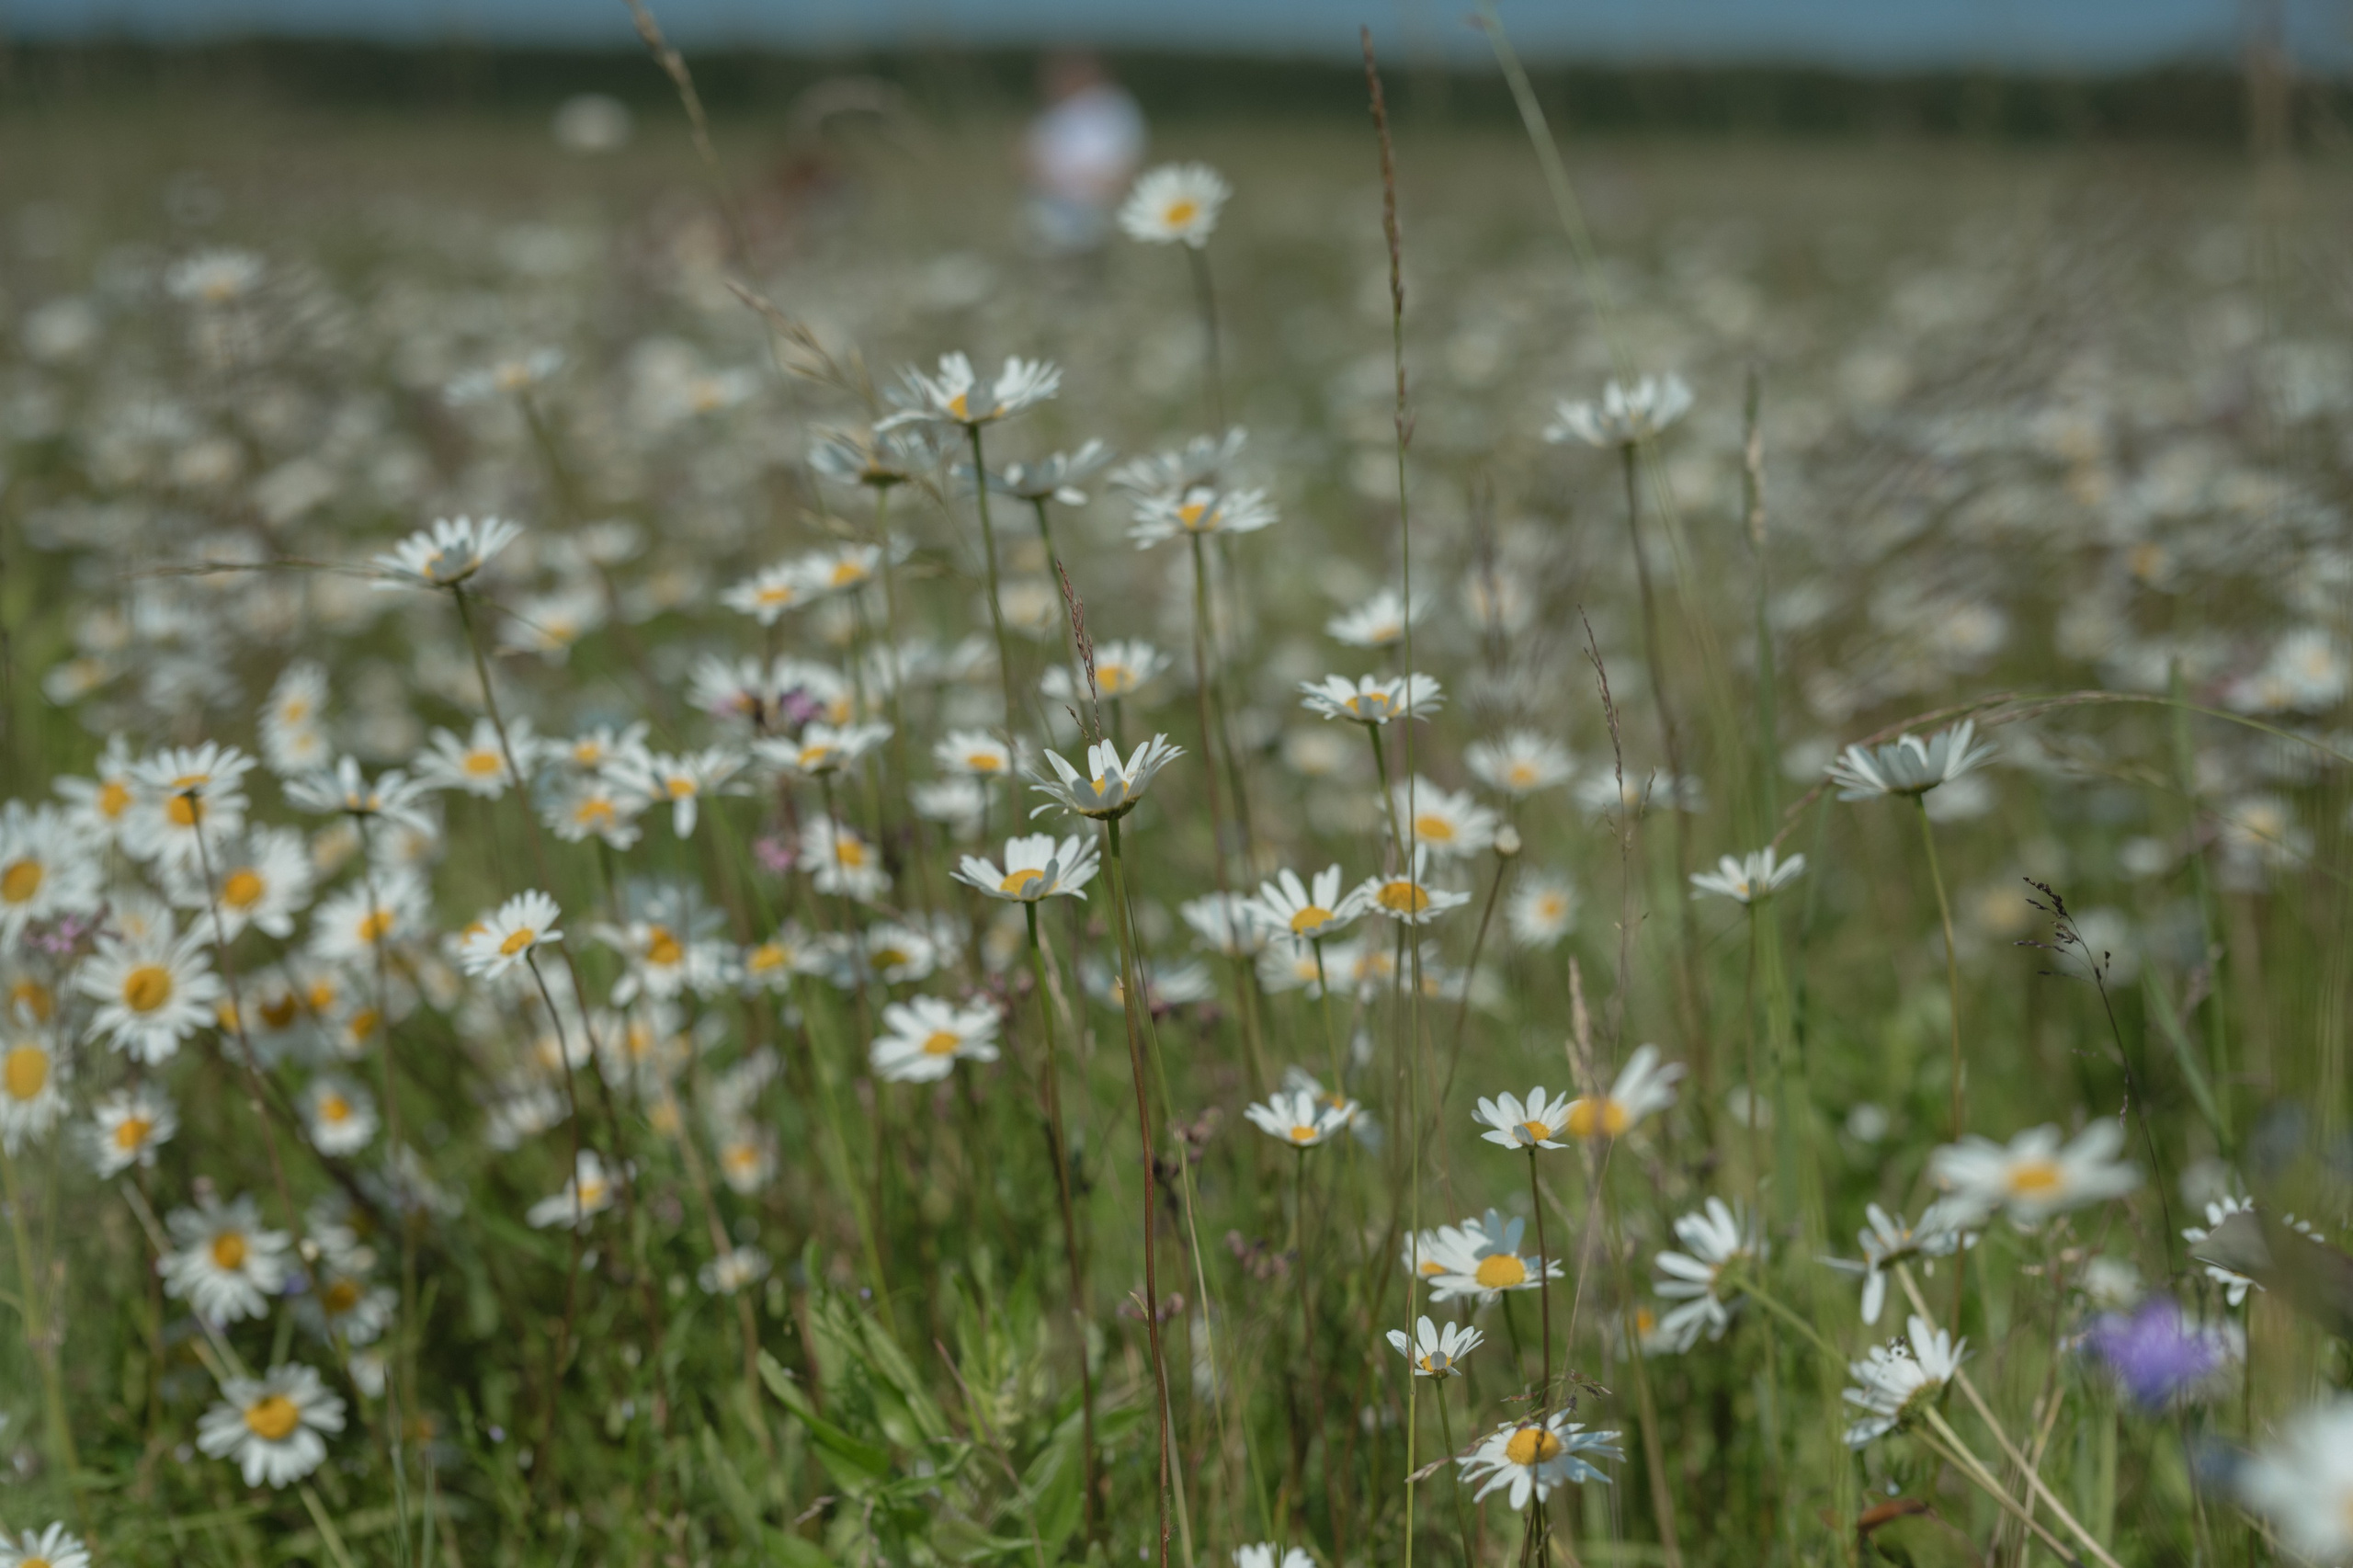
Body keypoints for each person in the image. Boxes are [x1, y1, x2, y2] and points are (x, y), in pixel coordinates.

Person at [1022, 51, 1145, 256]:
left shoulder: (1116, 110)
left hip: (1101, 216)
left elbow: (1128, 165)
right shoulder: (1052, 114)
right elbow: (1027, 161)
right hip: (1051, 216)